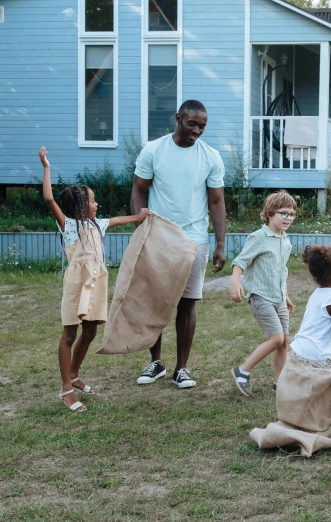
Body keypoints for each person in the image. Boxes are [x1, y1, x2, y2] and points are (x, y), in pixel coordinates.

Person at [40, 147, 149, 412]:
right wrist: (46, 167)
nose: (96, 204)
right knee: (69, 334)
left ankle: (75, 374)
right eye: (92, 201)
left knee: (90, 331)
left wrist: (138, 217)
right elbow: (48, 198)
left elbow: (117, 220)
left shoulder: (97, 224)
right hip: (78, 284)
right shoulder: (68, 226)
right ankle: (66, 388)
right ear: (80, 206)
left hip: (97, 282)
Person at [130, 99, 227, 388]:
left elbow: (217, 201)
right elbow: (138, 190)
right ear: (178, 118)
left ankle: (181, 369)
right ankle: (155, 363)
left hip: (193, 239)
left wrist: (220, 244)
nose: (197, 130)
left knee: (187, 304)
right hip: (158, 236)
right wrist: (141, 227)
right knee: (156, 302)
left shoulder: (211, 157)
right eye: (192, 124)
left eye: (202, 126)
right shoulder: (153, 150)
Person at [250, 245, 331, 457]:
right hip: (316, 358)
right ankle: (327, 418)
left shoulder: (318, 294)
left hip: (298, 352)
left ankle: (310, 413)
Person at [229, 191, 297, 396]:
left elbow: (279, 270)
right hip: (260, 296)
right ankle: (242, 371)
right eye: (283, 213)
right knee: (276, 338)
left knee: (284, 340)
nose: (288, 218)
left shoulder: (285, 240)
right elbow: (241, 261)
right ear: (269, 214)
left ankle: (279, 381)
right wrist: (235, 281)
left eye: (292, 214)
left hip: (278, 297)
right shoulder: (259, 237)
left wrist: (285, 296)